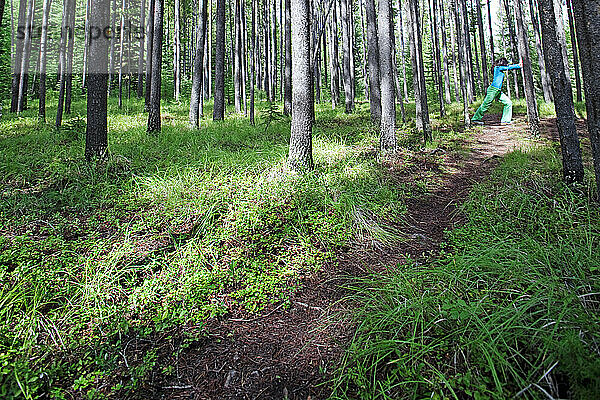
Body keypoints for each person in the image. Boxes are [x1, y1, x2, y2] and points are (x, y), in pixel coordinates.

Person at [471, 57, 522, 125]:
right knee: (485, 105)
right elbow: (509, 67)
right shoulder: (497, 68)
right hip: (493, 90)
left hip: (497, 91)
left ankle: (505, 121)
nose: (506, 65)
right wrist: (519, 65)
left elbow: (508, 67)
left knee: (508, 103)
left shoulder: (499, 68)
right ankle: (475, 119)